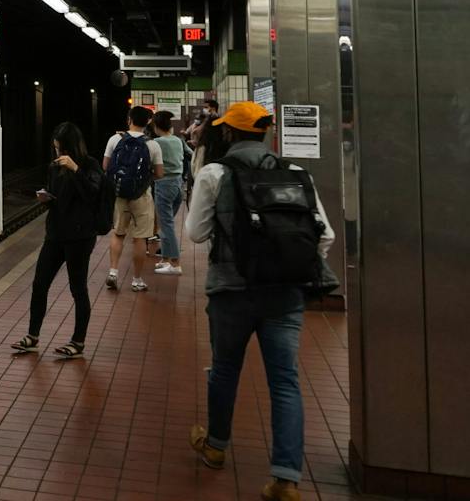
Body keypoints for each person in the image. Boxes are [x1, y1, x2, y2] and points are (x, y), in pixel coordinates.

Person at [187, 101, 335, 501]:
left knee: (224, 370)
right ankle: (285, 479)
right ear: (267, 134)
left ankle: (216, 446)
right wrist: (287, 266)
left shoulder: (215, 173)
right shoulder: (297, 173)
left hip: (231, 293)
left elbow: (196, 233)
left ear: (230, 134)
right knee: (285, 381)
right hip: (284, 296)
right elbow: (325, 237)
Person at [12, 122, 104, 360]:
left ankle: (78, 342)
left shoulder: (89, 165)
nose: (58, 154)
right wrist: (47, 198)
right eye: (55, 149)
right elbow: (59, 198)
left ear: (72, 148)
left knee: (78, 289)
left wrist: (76, 170)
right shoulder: (54, 168)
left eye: (61, 149)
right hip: (55, 234)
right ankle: (32, 337)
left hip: (80, 237)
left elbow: (93, 195)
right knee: (39, 284)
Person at [103, 105, 163, 292]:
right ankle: (136, 280)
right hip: (141, 196)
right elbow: (159, 173)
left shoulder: (115, 139)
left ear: (129, 119)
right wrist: (145, 180)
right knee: (139, 239)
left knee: (118, 233)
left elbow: (106, 166)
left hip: (120, 194)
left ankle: (113, 272)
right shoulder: (152, 144)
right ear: (147, 123)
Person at [150, 110, 186, 274]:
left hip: (164, 185)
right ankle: (165, 258)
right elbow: (190, 154)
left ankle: (175, 264)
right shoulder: (178, 141)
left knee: (166, 224)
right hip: (178, 185)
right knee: (166, 223)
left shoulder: (156, 142)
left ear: (156, 127)